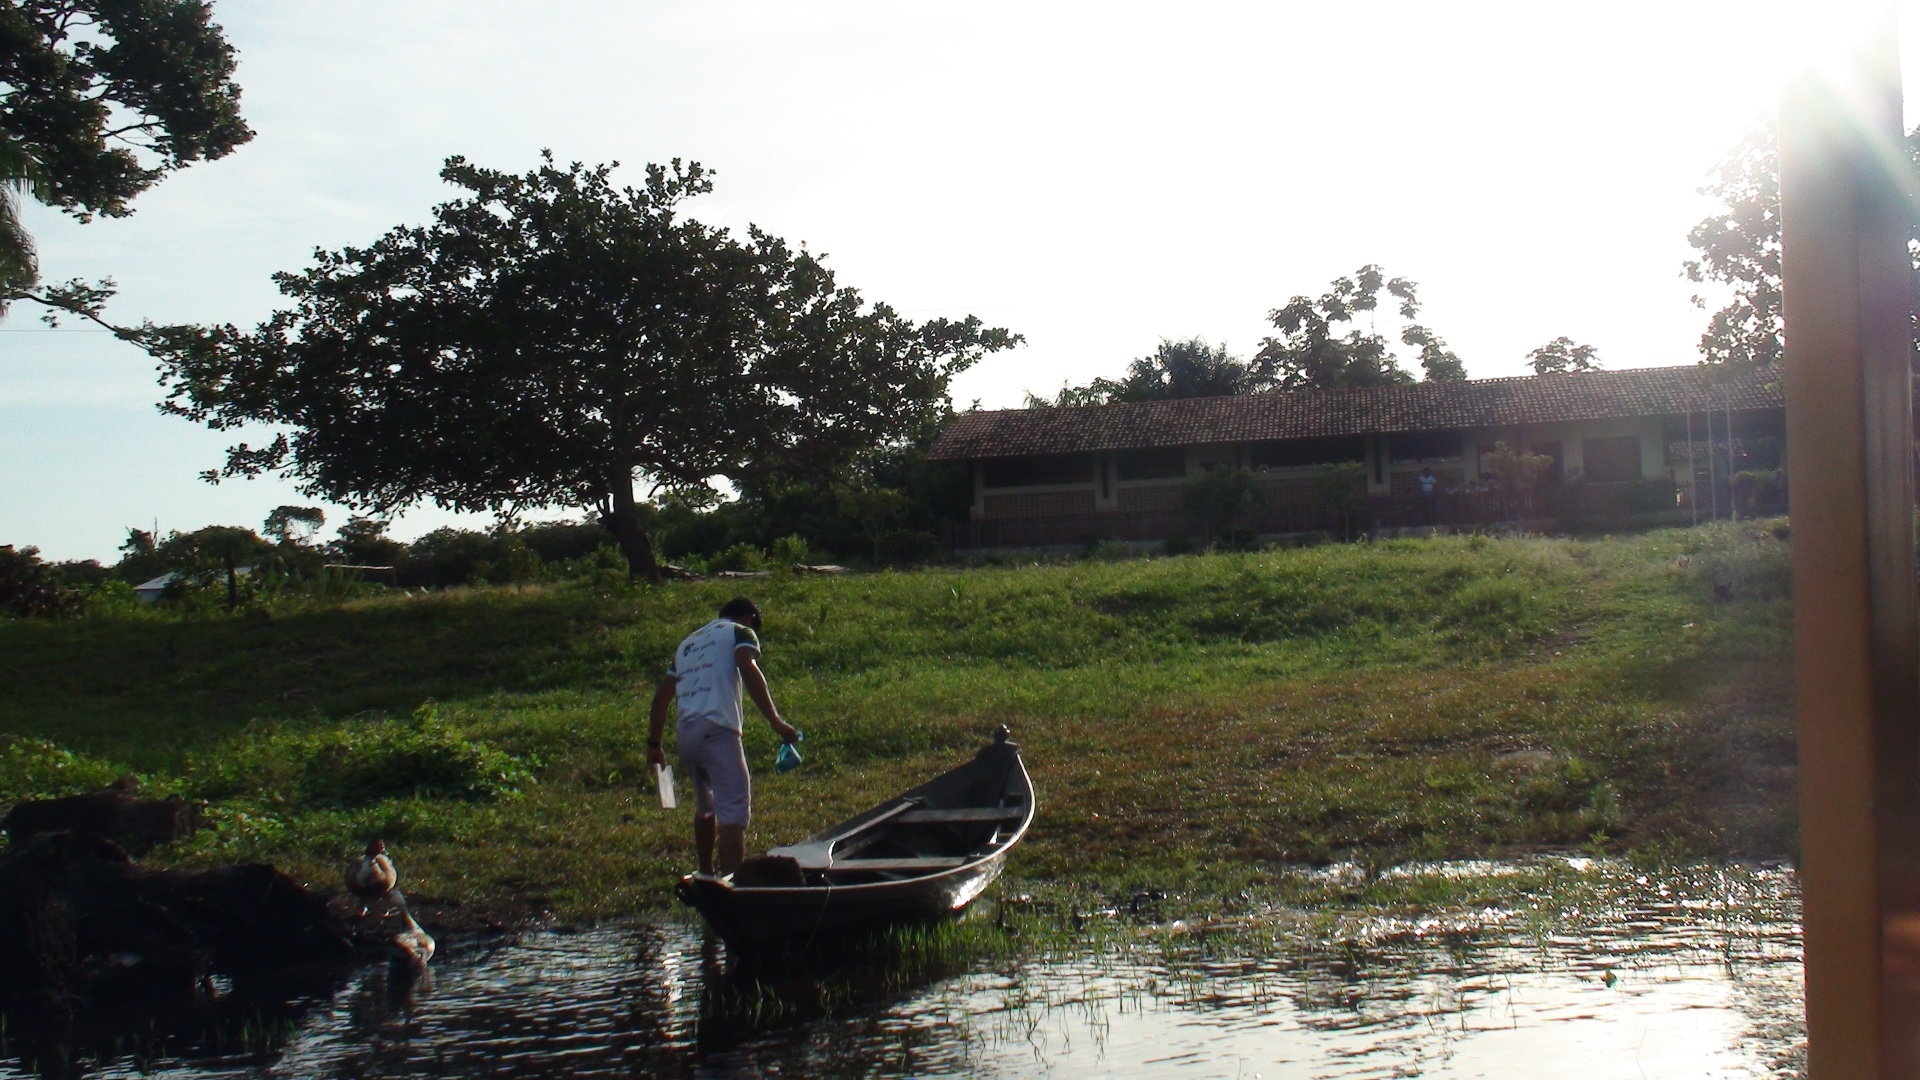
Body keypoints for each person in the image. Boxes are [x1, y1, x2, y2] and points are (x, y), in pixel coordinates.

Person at [646, 597, 798, 878]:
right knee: (734, 811)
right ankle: (731, 882)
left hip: (687, 735)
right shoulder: (740, 632)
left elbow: (660, 698)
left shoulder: (688, 644)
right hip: (717, 731)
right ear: (750, 618)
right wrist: (776, 722)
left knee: (706, 807)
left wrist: (654, 745)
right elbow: (747, 668)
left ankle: (705, 874)